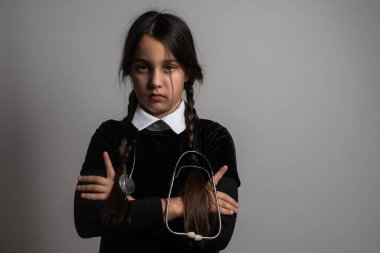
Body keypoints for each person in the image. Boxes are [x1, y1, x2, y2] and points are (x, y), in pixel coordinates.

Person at [74, 10, 240, 253]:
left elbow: (217, 235)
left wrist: (126, 209)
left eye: (169, 67)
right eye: (143, 67)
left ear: (188, 72)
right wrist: (181, 206)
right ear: (130, 71)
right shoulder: (110, 135)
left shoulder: (214, 138)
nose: (155, 81)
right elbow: (86, 221)